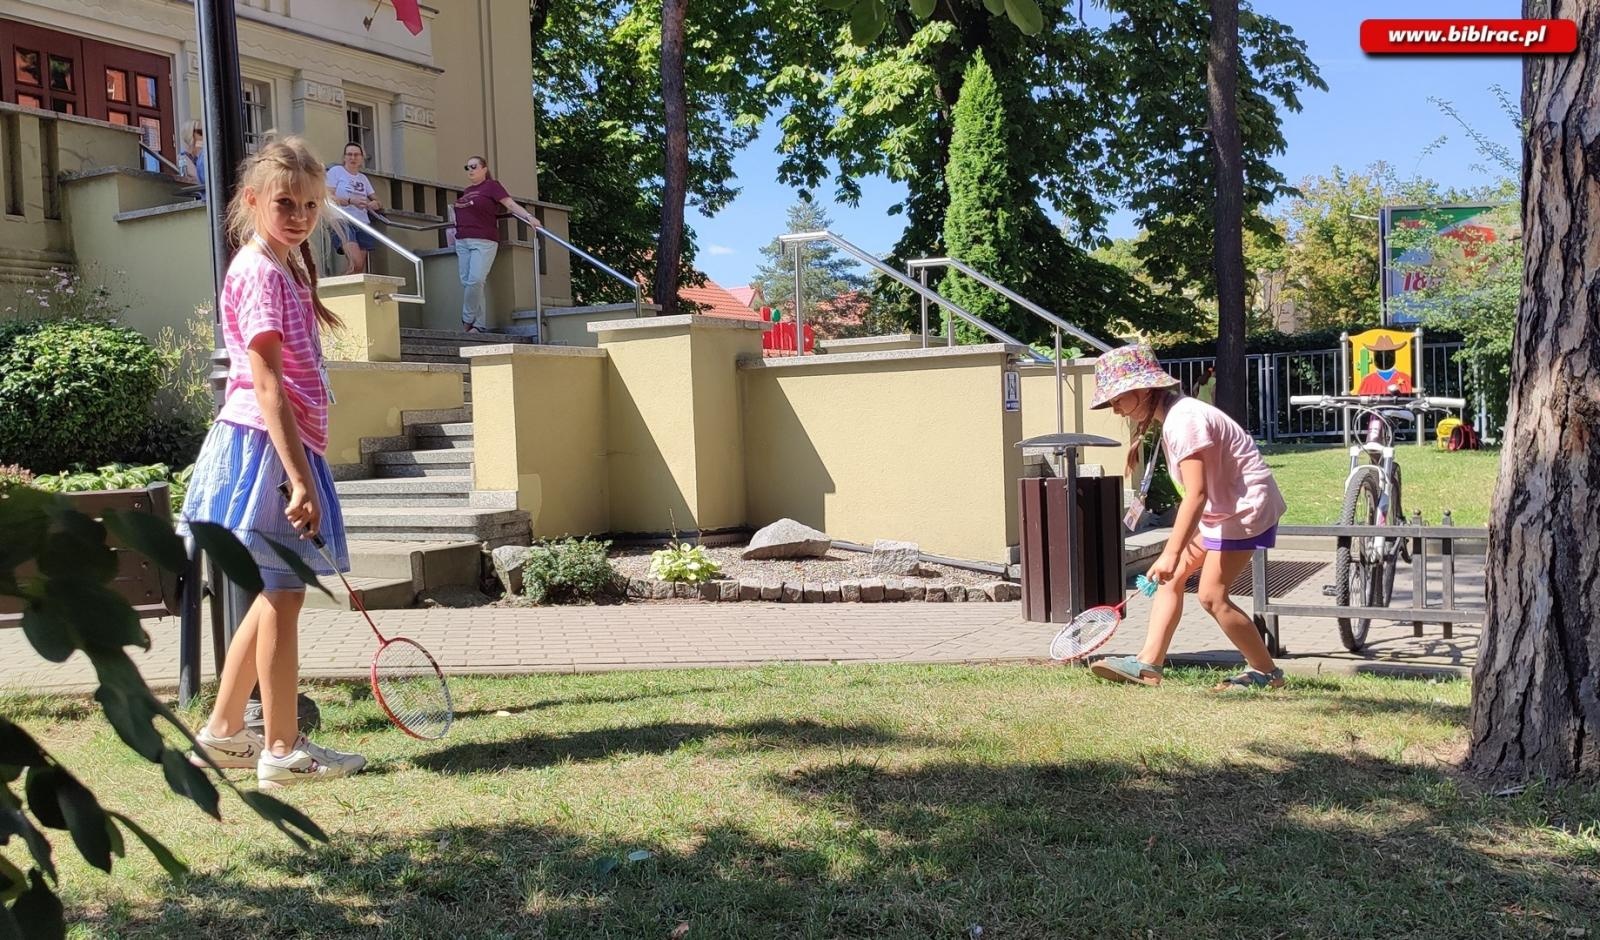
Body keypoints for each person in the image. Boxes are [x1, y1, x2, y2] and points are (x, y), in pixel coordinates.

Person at [180, 137, 367, 788]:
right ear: (252, 200)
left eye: (311, 205)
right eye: (285, 202)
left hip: (271, 447)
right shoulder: (260, 271)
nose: (299, 215)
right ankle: (281, 749)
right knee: (283, 595)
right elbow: (266, 387)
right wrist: (297, 478)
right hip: (263, 449)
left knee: (275, 594)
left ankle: (225, 732)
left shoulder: (284, 263)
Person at [1086, 343, 1289, 691]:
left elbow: (1197, 494)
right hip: (1225, 511)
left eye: (1118, 398)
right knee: (1172, 579)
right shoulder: (1177, 417)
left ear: (1145, 388)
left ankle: (1266, 672)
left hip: (1244, 512)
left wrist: (1170, 552)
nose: (1116, 409)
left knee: (1212, 596)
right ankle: (1148, 665)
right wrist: (1174, 557)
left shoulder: (1184, 420)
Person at [451, 155, 541, 332]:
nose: (470, 170)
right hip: (462, 240)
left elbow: (510, 204)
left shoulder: (492, 186)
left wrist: (529, 217)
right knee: (470, 284)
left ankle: (467, 318)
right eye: (467, 167)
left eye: (474, 166)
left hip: (483, 240)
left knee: (476, 280)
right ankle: (479, 325)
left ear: (484, 169)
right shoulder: (467, 190)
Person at [325, 142, 382, 274]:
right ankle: (338, 291)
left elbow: (378, 200)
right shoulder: (336, 172)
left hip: (362, 222)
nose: (353, 158)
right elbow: (328, 197)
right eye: (349, 154)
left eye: (356, 155)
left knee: (359, 267)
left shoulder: (363, 178)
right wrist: (351, 201)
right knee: (355, 261)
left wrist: (374, 204)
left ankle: (344, 291)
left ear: (362, 158)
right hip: (342, 220)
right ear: (344, 157)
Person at [178, 120, 206, 190]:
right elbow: (200, 179)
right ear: (190, 134)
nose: (205, 135)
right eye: (201, 133)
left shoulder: (203, 153)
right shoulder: (183, 157)